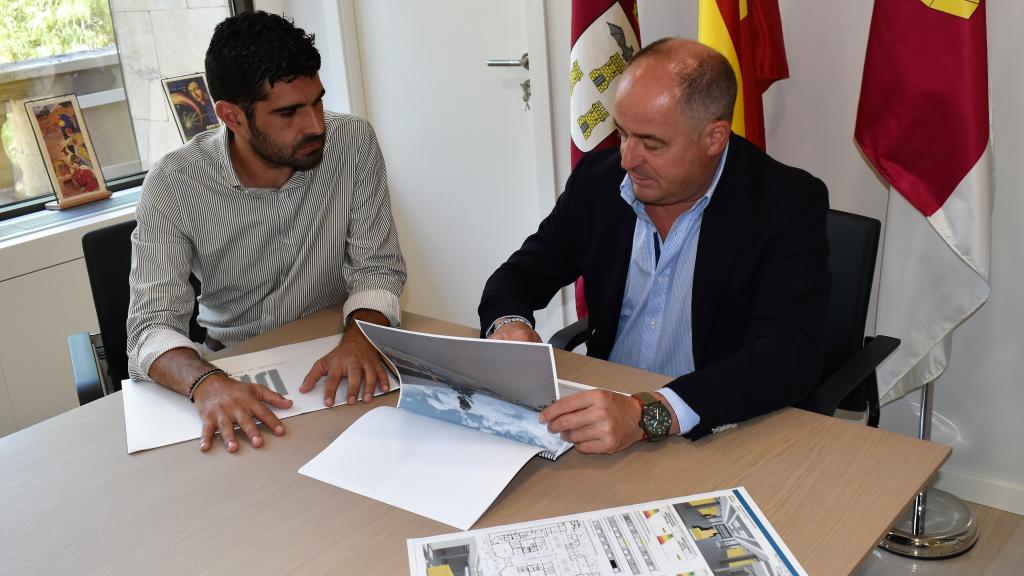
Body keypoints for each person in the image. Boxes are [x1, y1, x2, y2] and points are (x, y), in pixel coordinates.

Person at [479, 38, 829, 454]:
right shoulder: (599, 182)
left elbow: (787, 355)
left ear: (714, 138)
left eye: (652, 143)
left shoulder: (783, 202)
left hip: (718, 427)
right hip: (608, 418)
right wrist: (509, 326)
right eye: (623, 134)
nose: (628, 159)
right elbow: (516, 278)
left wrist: (647, 414)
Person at [127, 11, 406, 454]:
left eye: (317, 101)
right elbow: (149, 328)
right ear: (232, 117)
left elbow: (378, 269)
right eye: (289, 112)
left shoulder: (353, 142)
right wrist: (207, 383)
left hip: (338, 348)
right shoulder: (175, 183)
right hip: (235, 367)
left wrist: (360, 338)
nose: (316, 125)